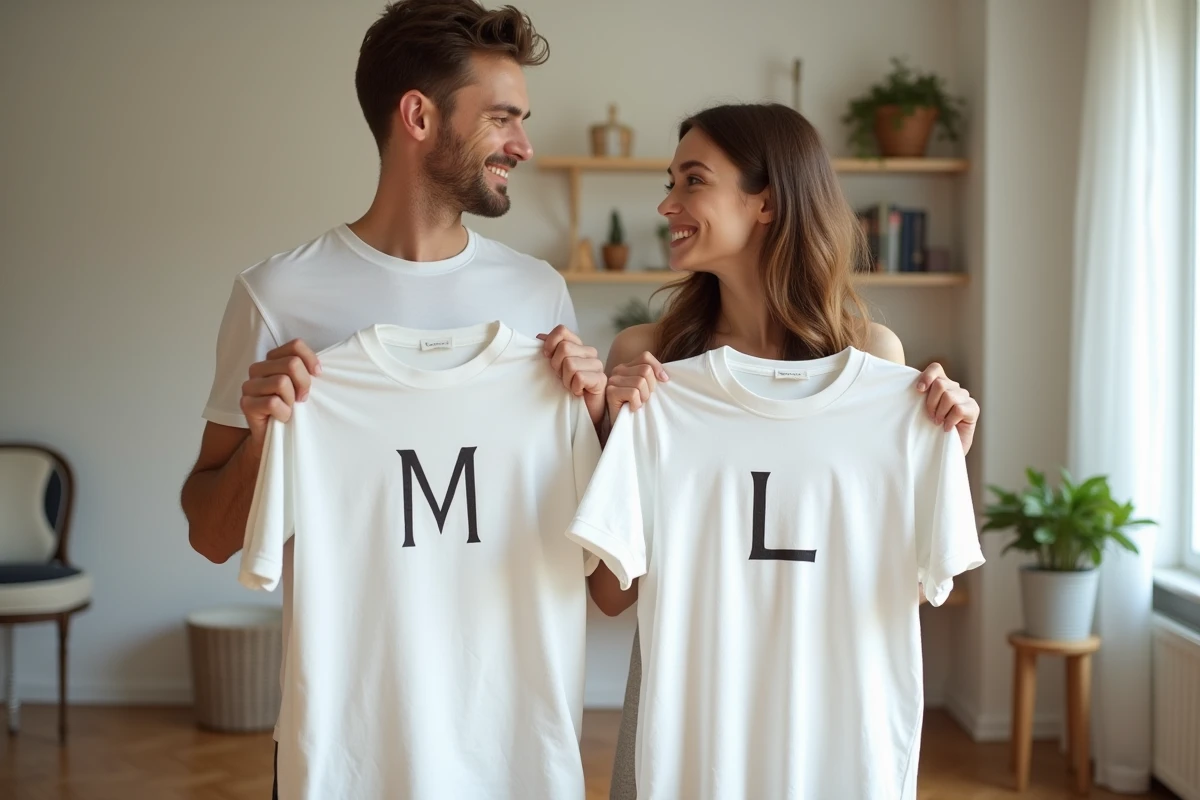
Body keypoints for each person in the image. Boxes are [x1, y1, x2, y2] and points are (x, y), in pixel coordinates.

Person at [178, 1, 605, 796]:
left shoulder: (537, 296)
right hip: (346, 752)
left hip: (507, 747)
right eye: (502, 119)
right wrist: (268, 439)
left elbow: (592, 555)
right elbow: (208, 533)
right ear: (418, 116)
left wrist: (599, 416)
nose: (523, 145)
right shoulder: (278, 295)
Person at [586, 103, 981, 799]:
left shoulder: (874, 358)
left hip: (827, 721)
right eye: (670, 182)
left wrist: (945, 457)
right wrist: (613, 434)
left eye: (692, 181)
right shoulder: (649, 361)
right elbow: (611, 596)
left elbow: (905, 589)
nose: (667, 204)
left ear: (765, 202)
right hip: (685, 726)